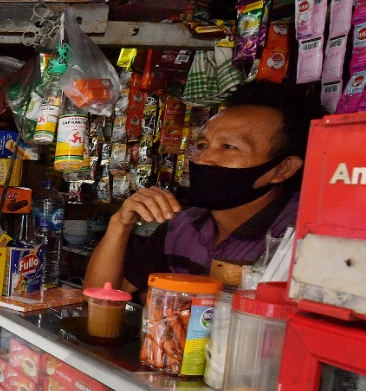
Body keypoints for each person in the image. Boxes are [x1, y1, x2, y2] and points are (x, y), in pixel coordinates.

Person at [85, 81, 321, 296]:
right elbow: (102, 297)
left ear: (283, 169)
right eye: (202, 145)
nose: (203, 158)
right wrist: (121, 224)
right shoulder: (184, 226)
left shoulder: (304, 240)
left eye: (228, 147)